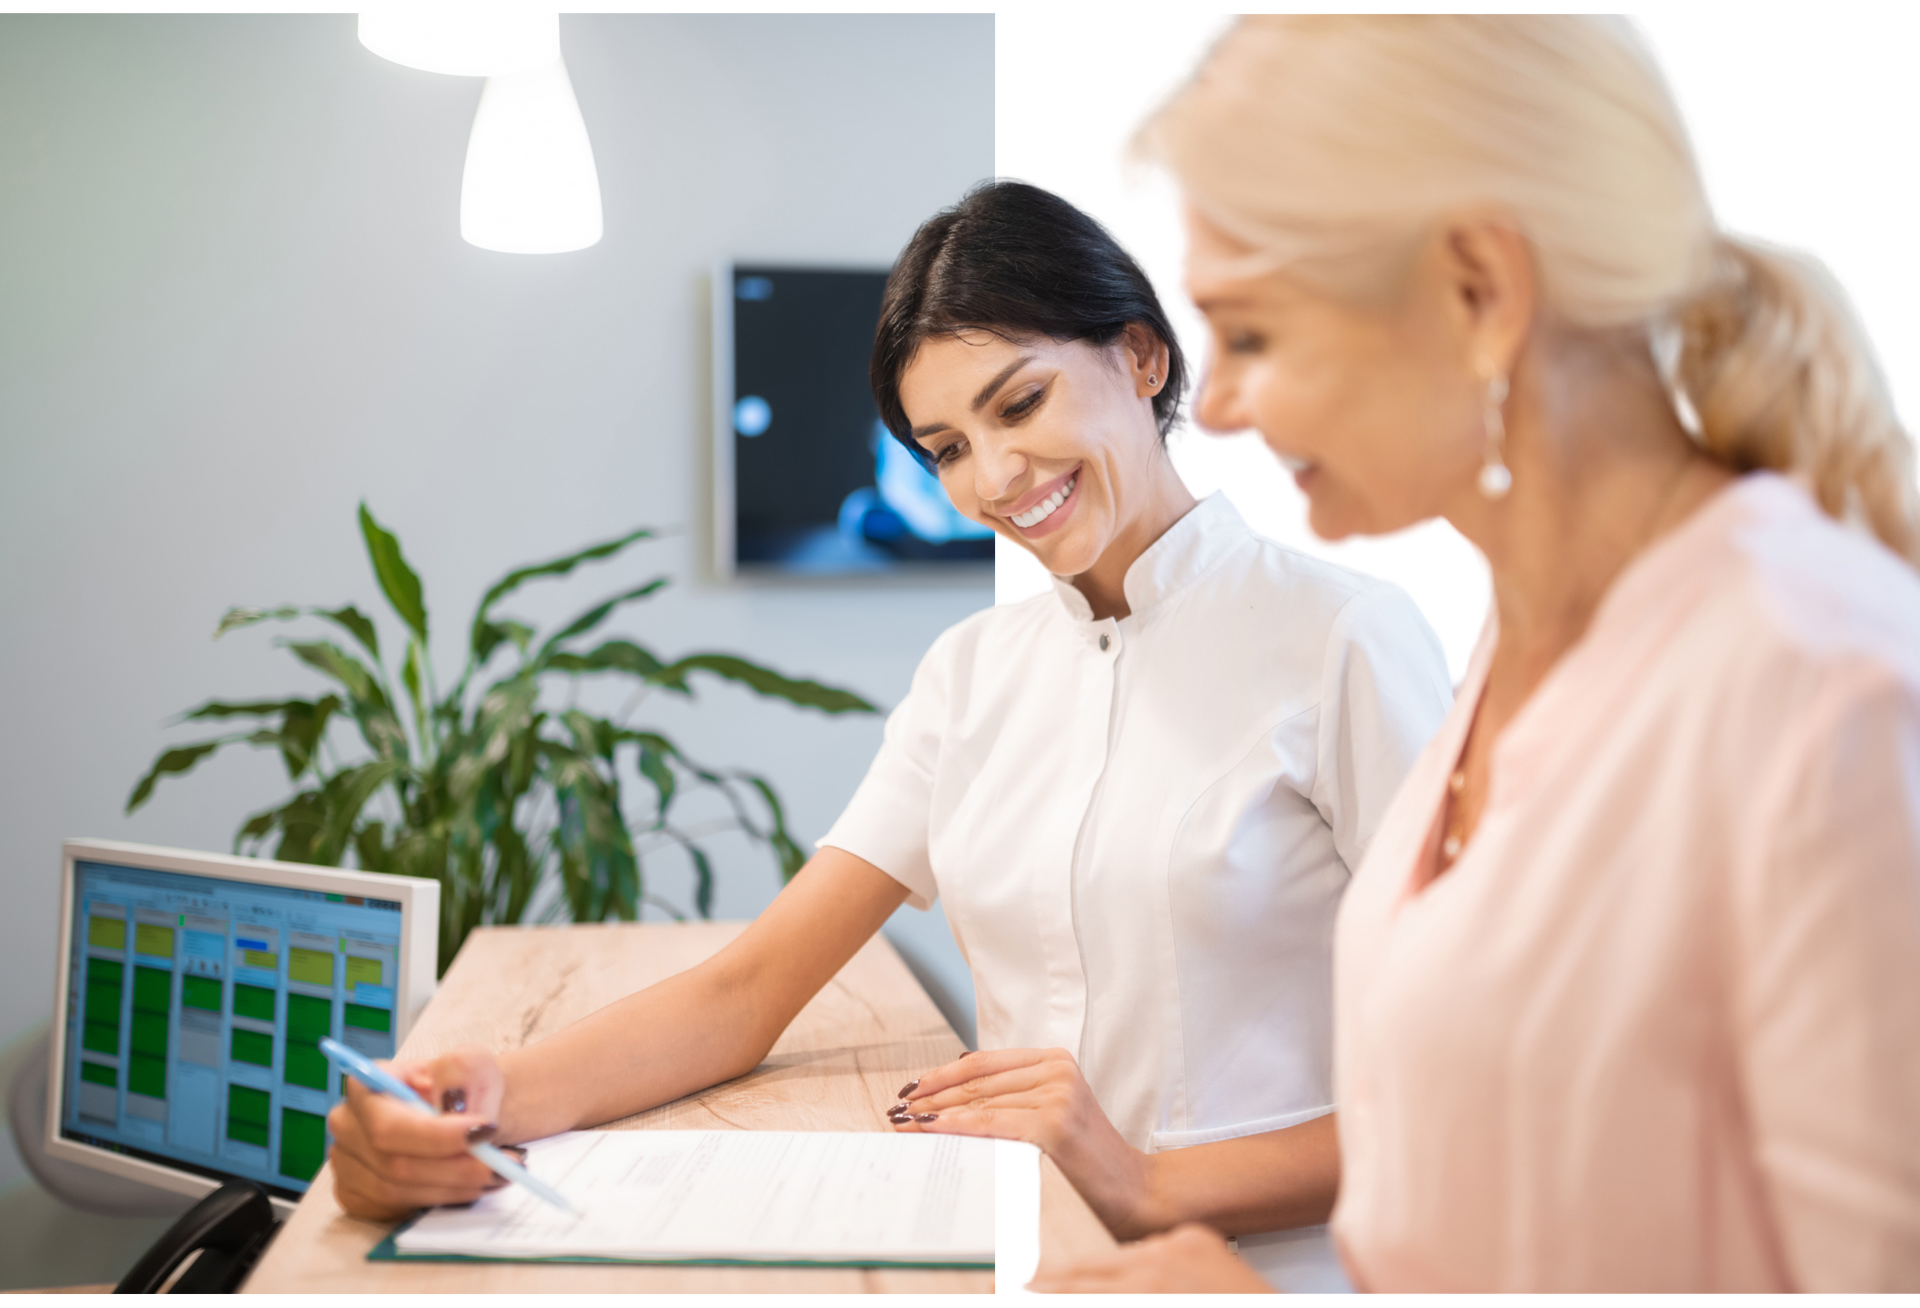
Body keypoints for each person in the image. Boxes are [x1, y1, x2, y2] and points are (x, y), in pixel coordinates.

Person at [325, 176, 1456, 1293]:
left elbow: (1479, 1086)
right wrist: (486, 1096)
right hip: (1021, 1252)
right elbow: (747, 992)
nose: (995, 480)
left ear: (1143, 356)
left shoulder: (1345, 636)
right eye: (946, 447)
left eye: (1018, 405)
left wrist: (1148, 1182)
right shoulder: (973, 674)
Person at [1025, 11, 1920, 1295]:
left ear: (1480, 294)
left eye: (1257, 332)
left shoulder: (1819, 687)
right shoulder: (1521, 631)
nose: (1210, 407)